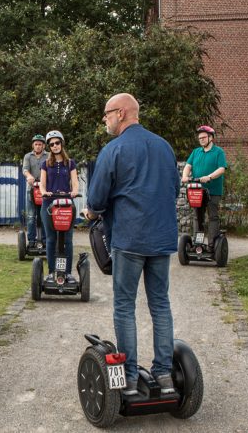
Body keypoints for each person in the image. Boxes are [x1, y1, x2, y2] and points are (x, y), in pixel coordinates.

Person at [82, 93, 180, 397]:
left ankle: (129, 376)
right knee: (160, 304)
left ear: (122, 113)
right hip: (161, 239)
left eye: (107, 114)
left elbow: (96, 200)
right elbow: (174, 188)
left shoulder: (114, 150)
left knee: (124, 307)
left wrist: (92, 211)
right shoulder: (164, 147)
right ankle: (164, 374)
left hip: (129, 239)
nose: (105, 119)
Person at [39, 130, 78, 283]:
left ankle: (67, 273)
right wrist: (44, 192)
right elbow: (42, 184)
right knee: (50, 239)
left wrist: (74, 192)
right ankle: (51, 272)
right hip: (49, 204)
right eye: (51, 144)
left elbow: (75, 183)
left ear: (61, 143)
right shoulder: (45, 164)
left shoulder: (70, 163)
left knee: (67, 239)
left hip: (67, 204)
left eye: (57, 143)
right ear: (49, 147)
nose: (55, 146)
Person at [181, 125, 227, 248]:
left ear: (210, 137)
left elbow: (222, 169)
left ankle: (212, 245)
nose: (201, 139)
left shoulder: (218, 152)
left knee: (212, 216)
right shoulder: (196, 152)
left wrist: (210, 177)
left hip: (213, 190)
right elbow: (188, 165)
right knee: (197, 216)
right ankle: (198, 244)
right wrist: (185, 176)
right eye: (199, 138)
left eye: (203, 137)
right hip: (197, 190)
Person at [21, 134, 48, 249]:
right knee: (31, 217)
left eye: (40, 144)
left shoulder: (49, 156)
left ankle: (46, 241)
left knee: (44, 216)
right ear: (33, 145)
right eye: (36, 144)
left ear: (43, 146)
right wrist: (29, 176)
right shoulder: (28, 156)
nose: (37, 146)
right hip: (31, 189)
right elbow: (25, 169)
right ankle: (31, 241)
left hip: (44, 190)